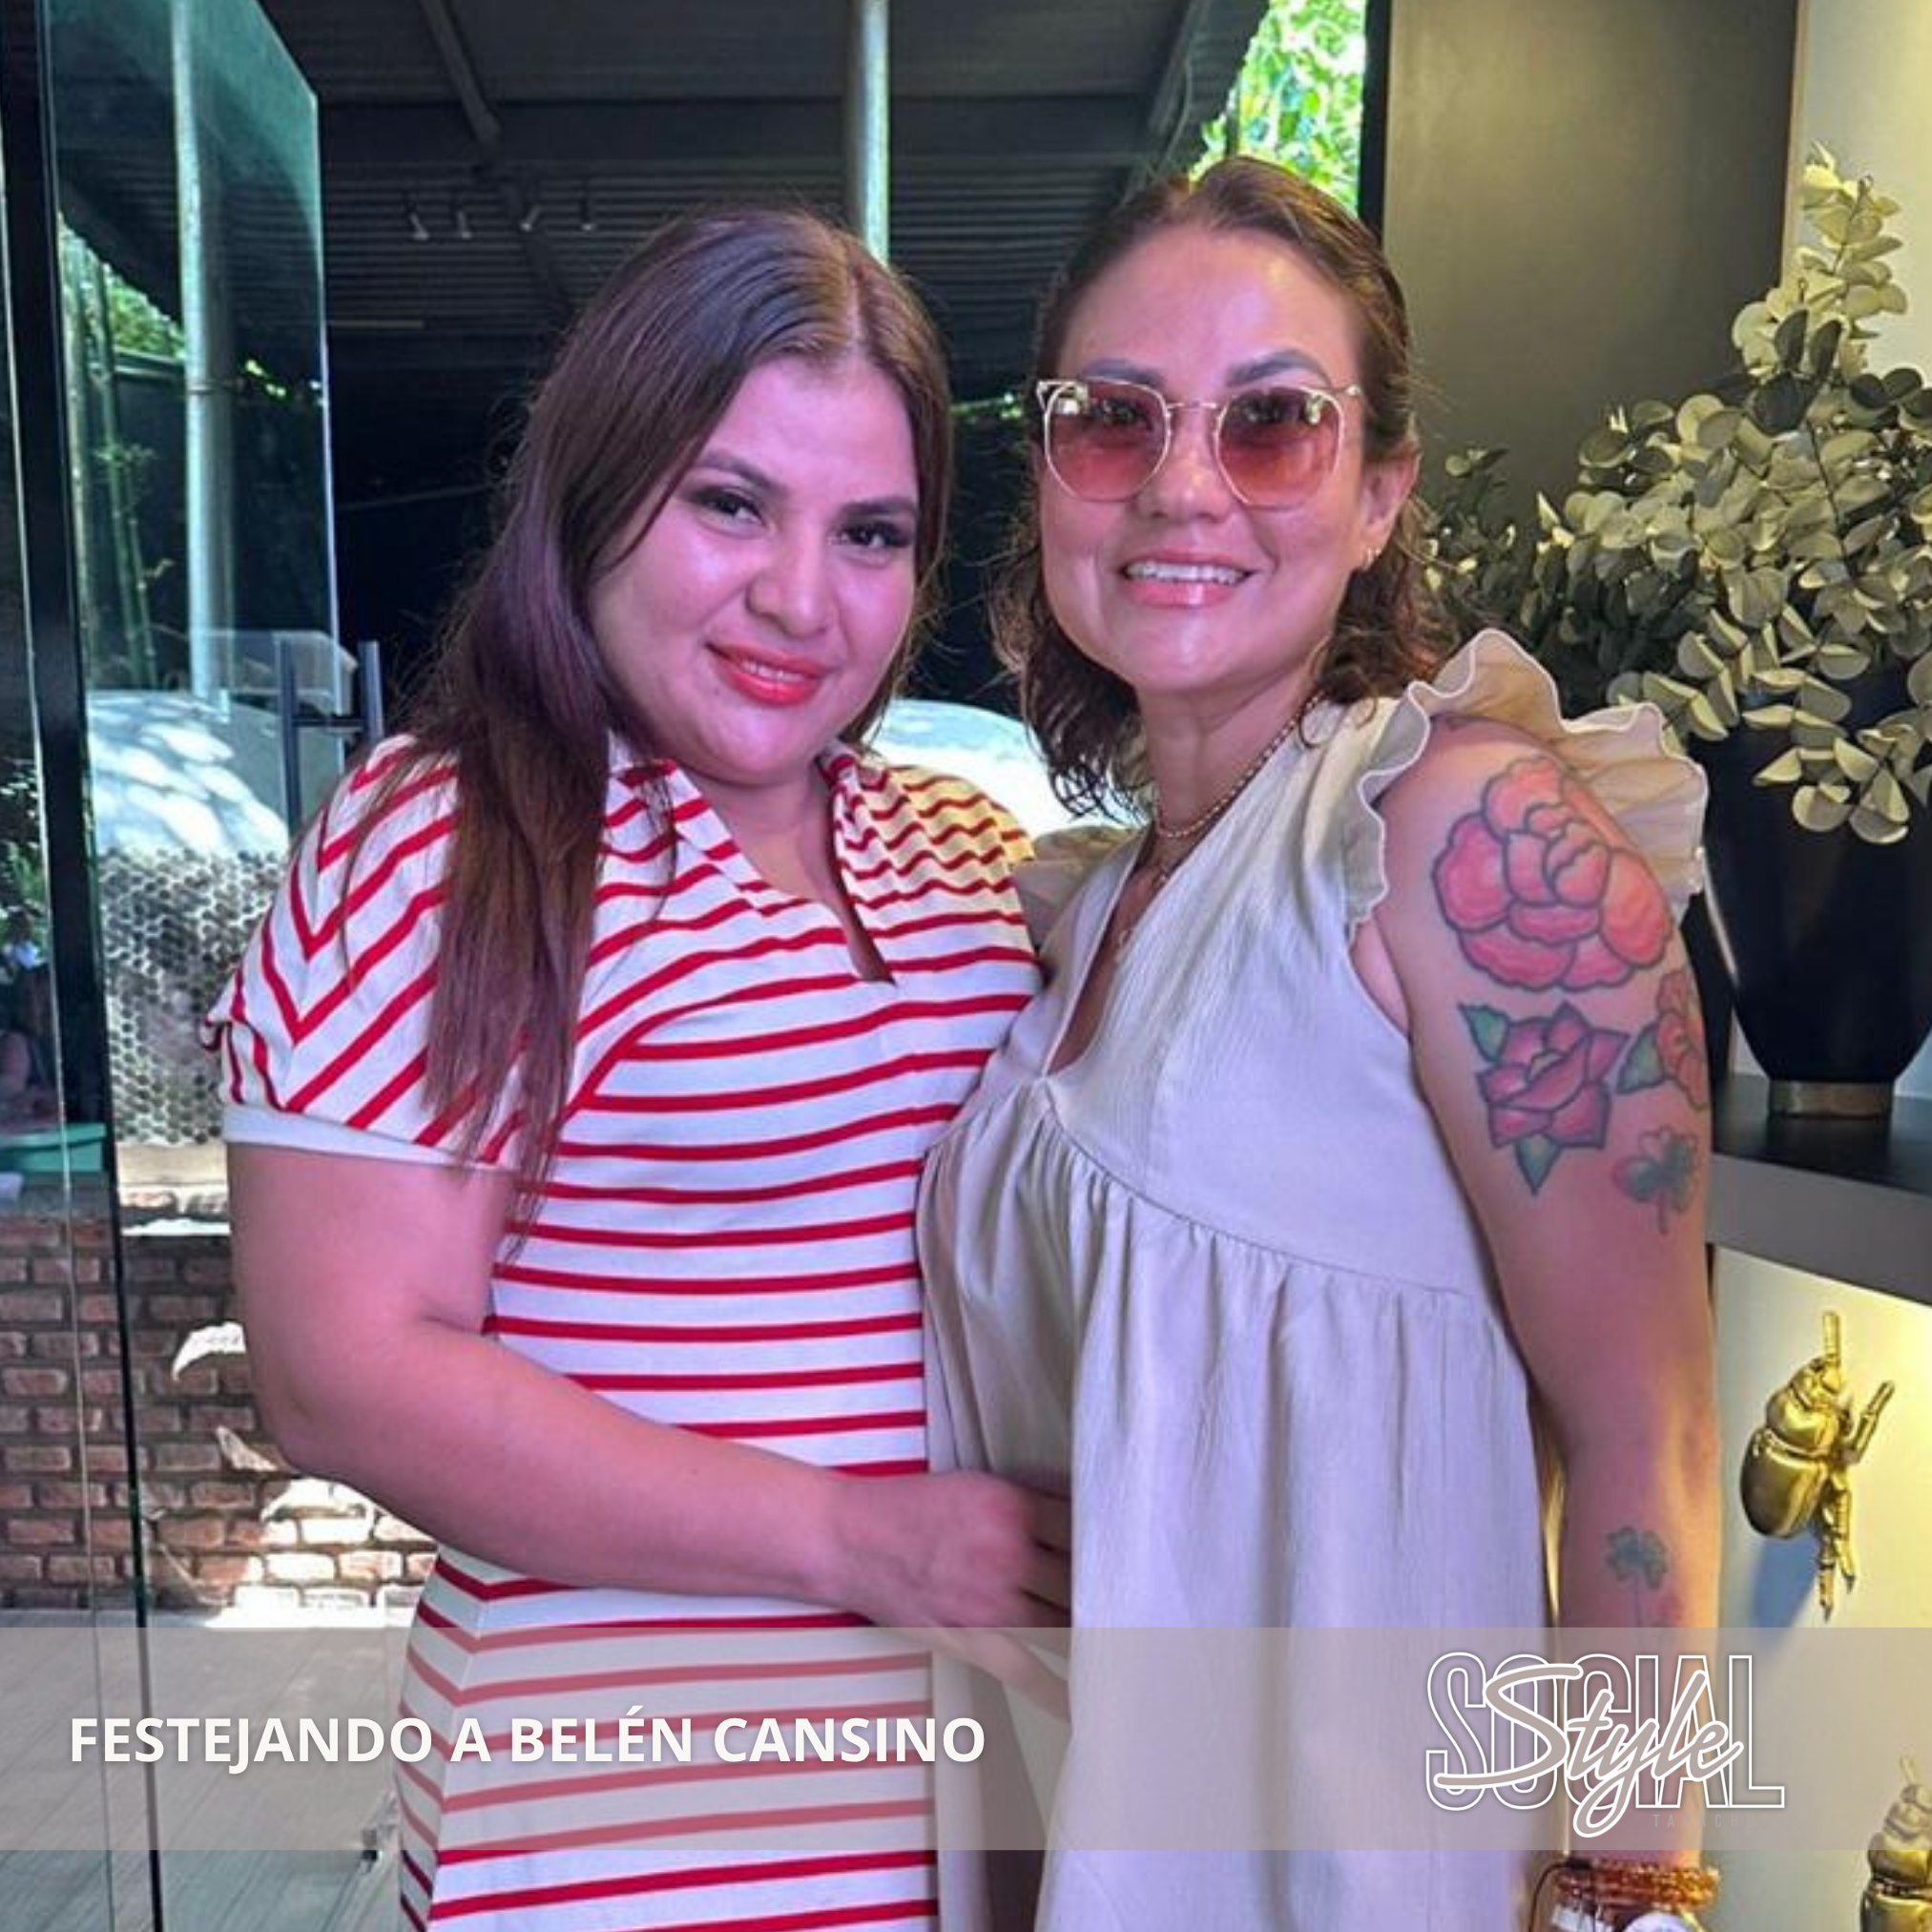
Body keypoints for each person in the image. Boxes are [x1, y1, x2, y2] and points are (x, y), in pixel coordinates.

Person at [207, 207, 1068, 1932]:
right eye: (730, 503)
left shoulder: (960, 845)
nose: (801, 597)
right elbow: (338, 1372)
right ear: (597, 494)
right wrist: (853, 1538)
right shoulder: (449, 838)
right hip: (623, 1836)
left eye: (871, 532)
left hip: (965, 1823)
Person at [917, 158, 1721, 1929]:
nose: (1182, 483)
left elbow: (1647, 1441)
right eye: (1113, 416)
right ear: (1047, 470)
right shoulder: (1078, 909)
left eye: (1272, 422)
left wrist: (1634, 1894)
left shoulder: (1469, 831)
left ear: (1379, 497)